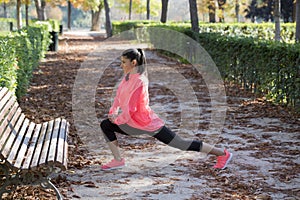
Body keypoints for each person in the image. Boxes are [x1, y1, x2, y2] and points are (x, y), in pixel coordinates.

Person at [100, 48, 232, 171]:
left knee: (181, 144)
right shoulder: (127, 78)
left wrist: (117, 119)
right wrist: (113, 112)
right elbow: (118, 97)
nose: (121, 65)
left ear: (133, 63)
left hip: (145, 123)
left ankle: (222, 154)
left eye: (124, 62)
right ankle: (118, 160)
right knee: (106, 125)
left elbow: (132, 108)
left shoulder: (140, 81)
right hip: (131, 122)